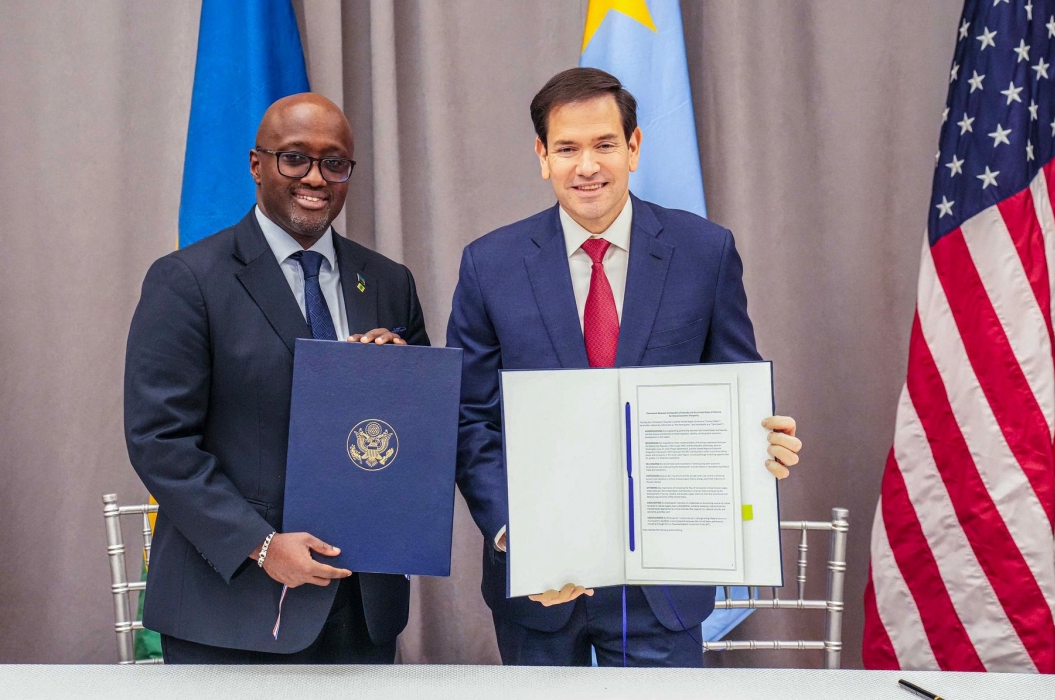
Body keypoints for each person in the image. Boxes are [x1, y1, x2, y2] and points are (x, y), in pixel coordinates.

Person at [447, 67, 803, 667]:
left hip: (662, 586)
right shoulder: (490, 265)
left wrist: (760, 442)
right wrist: (519, 539)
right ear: (542, 156)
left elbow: (735, 391)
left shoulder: (704, 252)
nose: (587, 165)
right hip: (541, 585)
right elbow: (468, 419)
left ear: (633, 147)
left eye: (605, 144)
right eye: (567, 148)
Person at [124, 93, 428, 664]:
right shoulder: (186, 281)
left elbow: (419, 441)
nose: (316, 177)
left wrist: (402, 379)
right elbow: (159, 442)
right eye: (294, 158)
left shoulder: (389, 282)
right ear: (256, 164)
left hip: (362, 609)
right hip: (232, 607)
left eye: (334, 162)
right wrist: (260, 546)